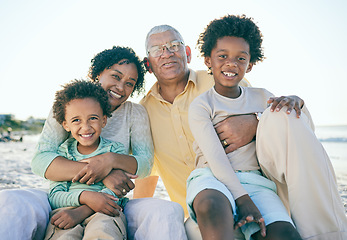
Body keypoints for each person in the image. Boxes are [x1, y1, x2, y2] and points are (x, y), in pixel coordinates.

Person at [136, 24, 347, 240]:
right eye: (157, 49)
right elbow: (146, 174)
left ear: (187, 53)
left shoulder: (221, 77)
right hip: (201, 209)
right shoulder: (142, 113)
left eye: (174, 45)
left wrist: (255, 120)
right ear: (148, 64)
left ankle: (325, 232)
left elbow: (268, 121)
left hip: (254, 185)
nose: (167, 53)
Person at [0, 46, 187, 240]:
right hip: (67, 198)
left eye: (130, 83)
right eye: (115, 76)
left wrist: (110, 160)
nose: (121, 87)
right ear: (98, 73)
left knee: (165, 211)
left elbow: (145, 164)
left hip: (110, 202)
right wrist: (101, 172)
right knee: (9, 200)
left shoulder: (135, 113)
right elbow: (40, 161)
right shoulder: (70, 103)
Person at [187, 15, 302, 240]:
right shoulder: (201, 106)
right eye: (222, 56)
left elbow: (296, 128)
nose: (231, 63)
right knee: (210, 205)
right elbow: (216, 158)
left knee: (285, 234)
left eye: (240, 58)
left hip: (256, 181)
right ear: (208, 60)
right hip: (211, 177)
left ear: (249, 64)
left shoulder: (263, 98)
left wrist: (298, 100)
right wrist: (243, 199)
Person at [44, 80, 128, 239]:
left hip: (106, 213)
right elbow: (55, 195)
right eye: (76, 120)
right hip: (66, 213)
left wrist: (83, 211)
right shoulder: (63, 153)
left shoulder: (115, 151)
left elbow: (117, 191)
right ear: (66, 125)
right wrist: (85, 197)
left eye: (93, 118)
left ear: (104, 120)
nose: (86, 127)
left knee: (103, 232)